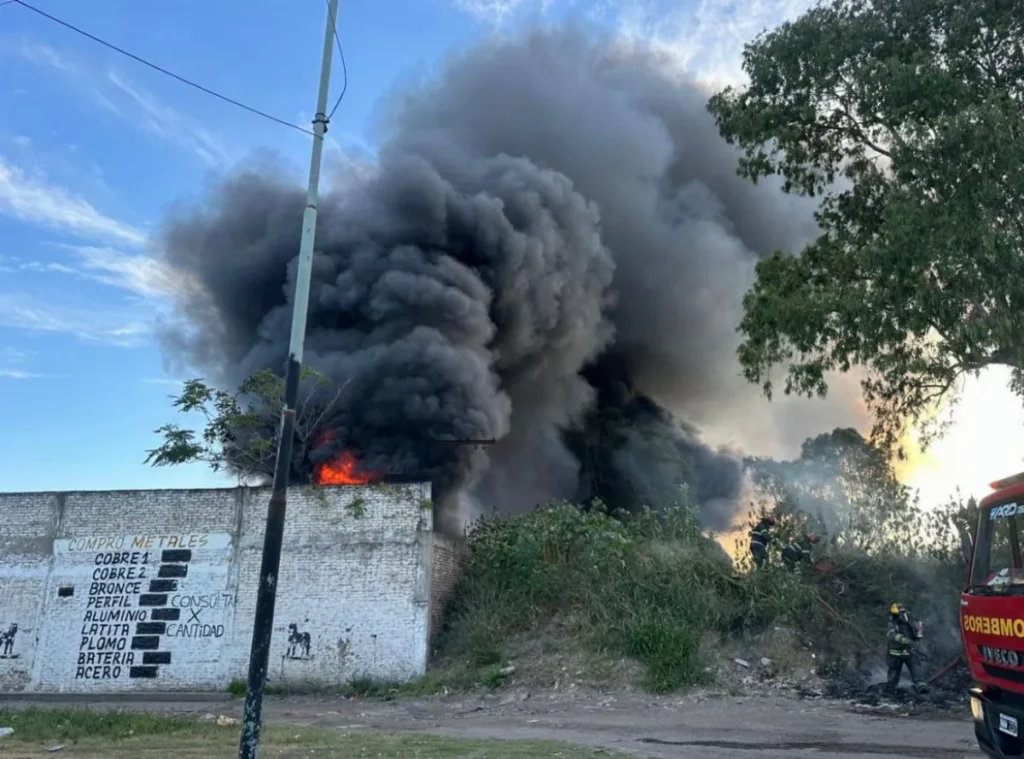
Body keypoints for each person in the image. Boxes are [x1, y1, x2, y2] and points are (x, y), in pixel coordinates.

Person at [887, 602, 928, 694]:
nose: (902, 615)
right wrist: (902, 639)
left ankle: (921, 687)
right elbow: (891, 635)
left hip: (908, 651)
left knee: (916, 669)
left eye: (902, 613)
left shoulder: (909, 622)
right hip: (896, 653)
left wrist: (918, 632)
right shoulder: (892, 623)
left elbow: (915, 637)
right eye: (900, 613)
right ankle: (891, 690)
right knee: (894, 673)